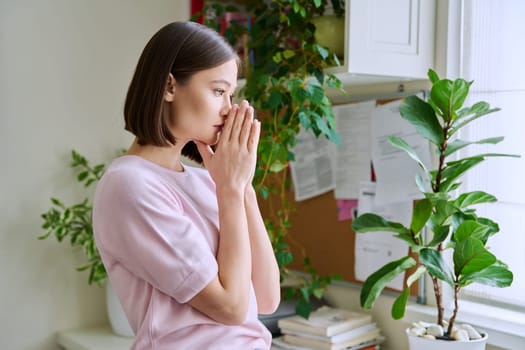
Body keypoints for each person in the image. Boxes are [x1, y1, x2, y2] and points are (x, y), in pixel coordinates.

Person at [92, 21, 281, 350]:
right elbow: (231, 307)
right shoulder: (129, 185)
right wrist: (230, 190)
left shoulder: (211, 182)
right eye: (218, 91)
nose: (228, 109)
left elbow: (267, 299)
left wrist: (243, 186)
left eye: (232, 95)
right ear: (169, 87)